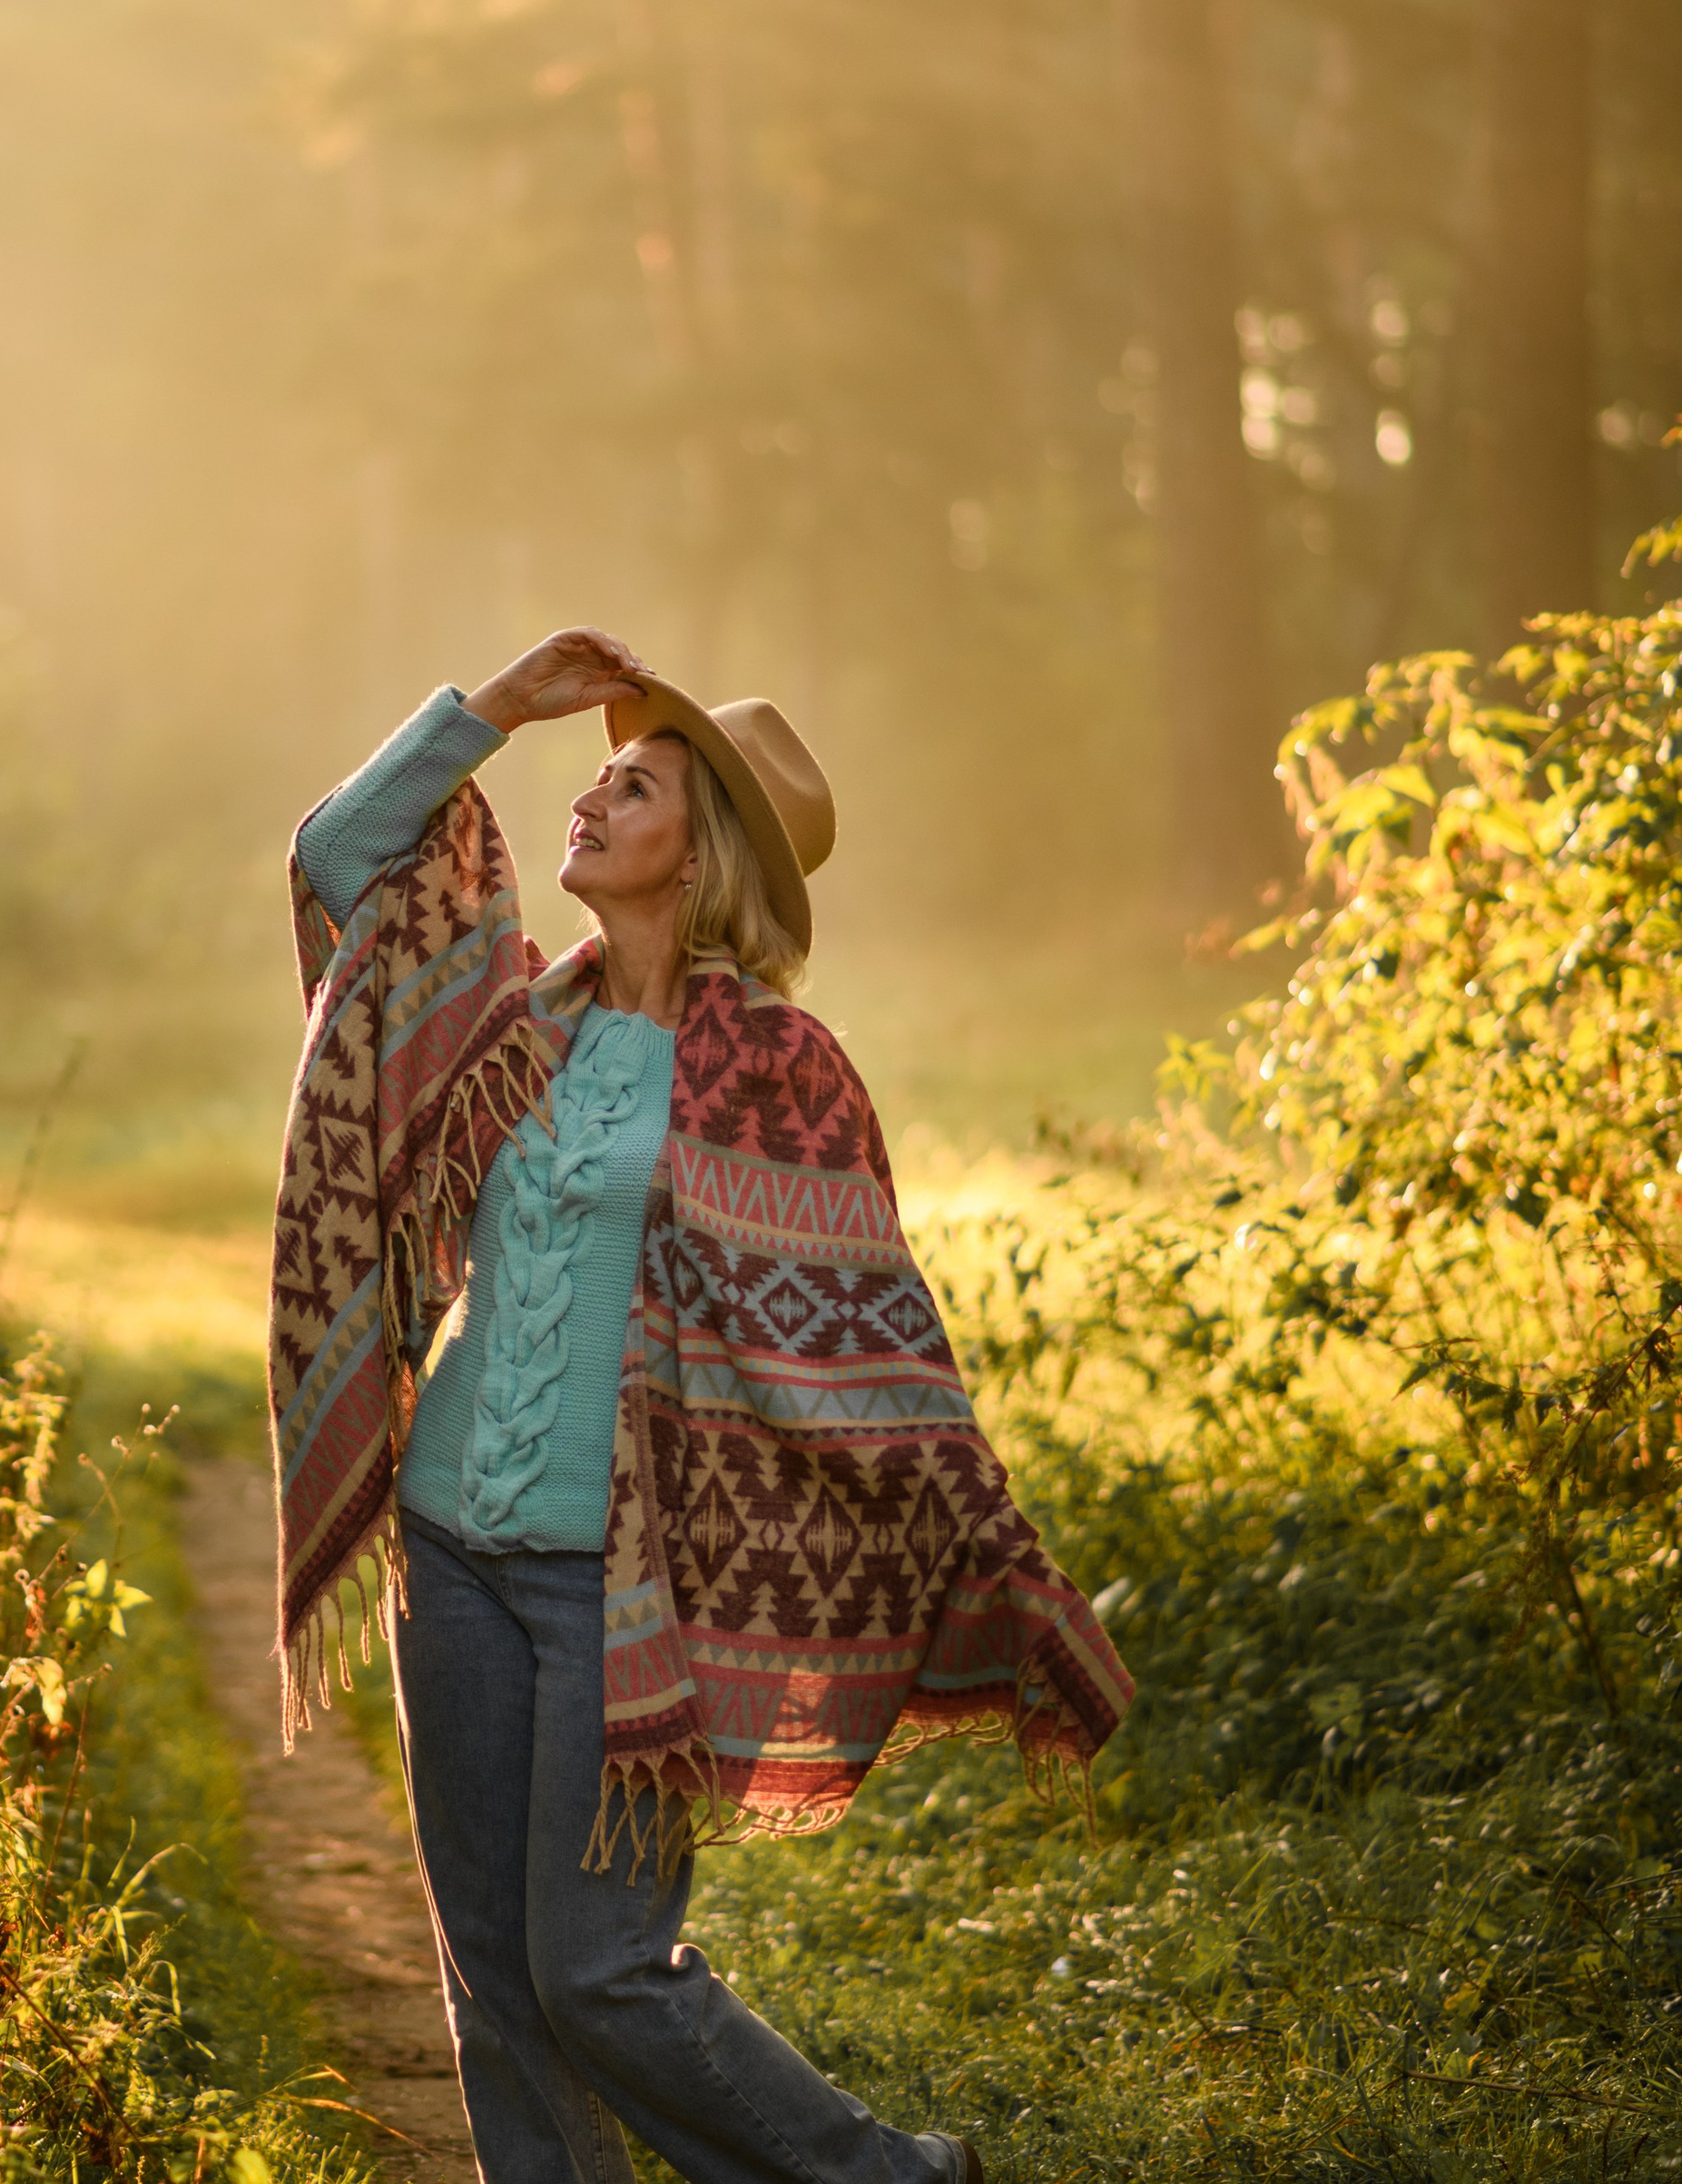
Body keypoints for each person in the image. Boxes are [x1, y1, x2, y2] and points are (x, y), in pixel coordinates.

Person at [267, 629, 1132, 2184]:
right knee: (494, 1982)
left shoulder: (782, 1071)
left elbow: (870, 1335)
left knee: (596, 1967)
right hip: (447, 1553)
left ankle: (890, 2177)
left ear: (700, 854)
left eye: (633, 785)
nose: (588, 800)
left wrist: (988, 1547)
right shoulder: (506, 1021)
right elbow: (338, 858)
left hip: (625, 1590)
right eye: (593, 776)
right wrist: (501, 707)